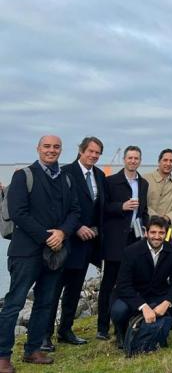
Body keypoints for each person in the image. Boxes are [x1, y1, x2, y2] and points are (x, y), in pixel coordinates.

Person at [0, 135, 80, 370]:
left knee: (45, 302)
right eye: (47, 146)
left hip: (56, 252)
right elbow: (18, 213)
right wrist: (47, 236)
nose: (51, 150)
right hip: (26, 253)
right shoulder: (23, 176)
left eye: (56, 147)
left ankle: (33, 350)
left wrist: (63, 233)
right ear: (38, 149)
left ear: (61, 150)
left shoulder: (66, 177)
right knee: (14, 304)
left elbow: (75, 211)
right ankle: (3, 356)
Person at [44, 137, 106, 351]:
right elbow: (59, 207)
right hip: (66, 241)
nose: (94, 156)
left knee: (74, 289)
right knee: (53, 290)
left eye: (98, 153)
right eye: (90, 151)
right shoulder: (66, 172)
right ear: (81, 151)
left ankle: (65, 330)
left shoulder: (99, 175)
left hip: (88, 244)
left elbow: (99, 207)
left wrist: (97, 228)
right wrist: (76, 227)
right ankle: (45, 335)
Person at [110, 216, 172, 347]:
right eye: (153, 232)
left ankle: (161, 331)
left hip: (158, 293)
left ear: (166, 233)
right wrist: (143, 306)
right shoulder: (130, 252)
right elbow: (123, 285)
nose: (157, 236)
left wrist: (166, 303)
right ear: (146, 233)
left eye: (161, 233)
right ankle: (122, 333)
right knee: (118, 310)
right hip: (135, 294)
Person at [97, 146, 149, 341]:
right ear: (124, 160)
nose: (133, 161)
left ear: (140, 161)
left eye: (136, 158)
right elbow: (102, 208)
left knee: (130, 283)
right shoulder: (111, 181)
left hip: (135, 238)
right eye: (130, 157)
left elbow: (143, 210)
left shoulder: (143, 183)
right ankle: (102, 326)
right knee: (109, 283)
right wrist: (122, 206)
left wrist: (145, 225)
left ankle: (125, 322)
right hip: (115, 240)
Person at [144, 149, 172, 240]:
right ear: (159, 161)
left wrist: (167, 218)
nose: (168, 163)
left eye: (171, 161)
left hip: (168, 230)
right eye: (165, 160)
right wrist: (156, 218)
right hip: (147, 228)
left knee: (166, 252)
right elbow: (142, 203)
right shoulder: (145, 179)